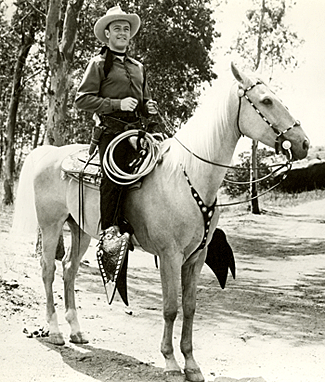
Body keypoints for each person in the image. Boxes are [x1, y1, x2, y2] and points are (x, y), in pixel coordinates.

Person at [75, 5, 157, 304]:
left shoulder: (138, 67)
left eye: (126, 29)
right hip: (111, 134)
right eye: (116, 28)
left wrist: (148, 106)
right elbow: (82, 100)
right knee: (115, 178)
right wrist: (116, 104)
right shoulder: (98, 64)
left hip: (138, 133)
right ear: (107, 34)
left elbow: (144, 99)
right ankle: (110, 233)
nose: (122, 33)